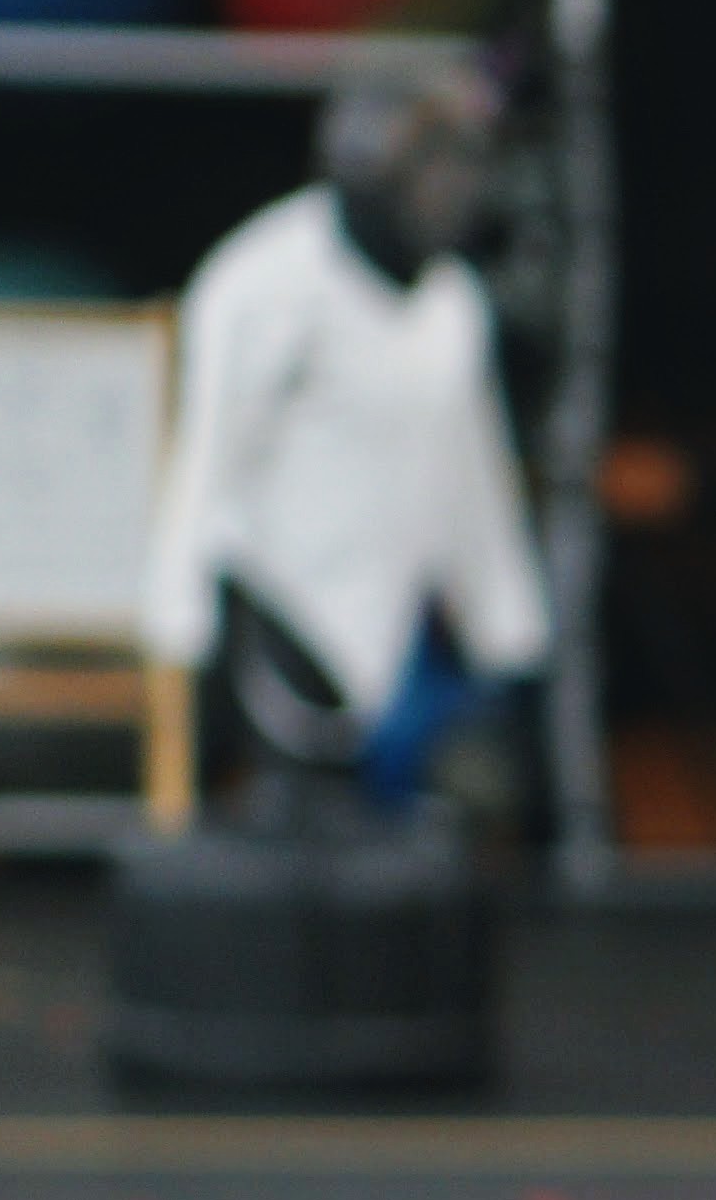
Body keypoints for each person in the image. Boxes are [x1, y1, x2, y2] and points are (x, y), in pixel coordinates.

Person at [140, 66, 541, 810]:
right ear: (374, 179)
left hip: (397, 621)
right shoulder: (260, 284)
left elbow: (474, 468)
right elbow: (207, 454)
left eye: (462, 171)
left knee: (470, 801)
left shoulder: (453, 303)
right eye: (432, 172)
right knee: (297, 818)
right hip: (276, 605)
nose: (451, 196)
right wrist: (182, 616)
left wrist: (505, 625)